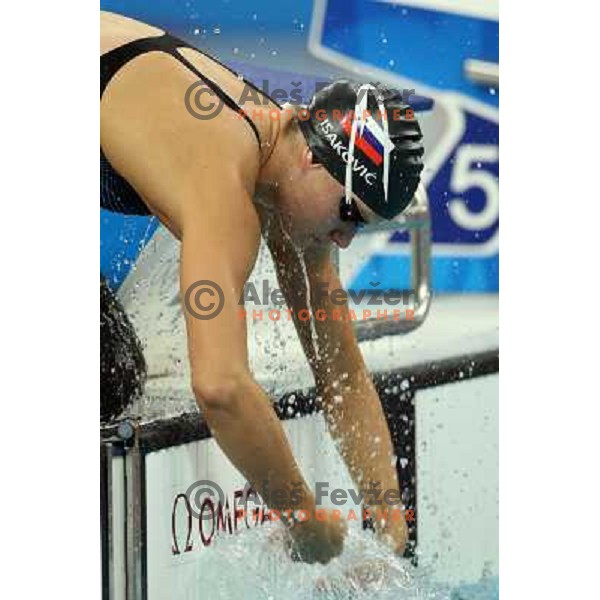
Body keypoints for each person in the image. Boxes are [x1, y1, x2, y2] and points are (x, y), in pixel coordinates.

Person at [100, 10, 424, 565]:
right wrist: (304, 520)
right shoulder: (225, 170)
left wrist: (391, 536)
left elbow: (341, 373)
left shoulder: (281, 167)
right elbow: (222, 387)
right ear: (309, 153)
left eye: (359, 226)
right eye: (347, 211)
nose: (344, 240)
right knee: (105, 372)